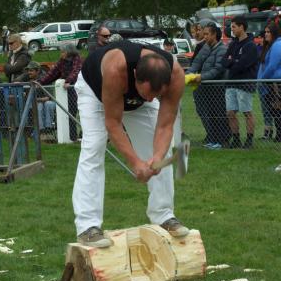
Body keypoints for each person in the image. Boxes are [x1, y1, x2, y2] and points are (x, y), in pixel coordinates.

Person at [73, 40, 189, 248]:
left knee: (161, 152)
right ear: (135, 75)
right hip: (96, 92)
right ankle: (88, 226)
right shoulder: (115, 68)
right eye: (147, 94)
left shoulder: (175, 75)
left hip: (128, 91)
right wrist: (135, 162)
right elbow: (113, 123)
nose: (151, 99)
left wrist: (158, 157)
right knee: (93, 148)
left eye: (157, 96)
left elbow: (165, 125)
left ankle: (164, 215)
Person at [186, 22, 230, 148]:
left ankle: (222, 141)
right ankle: (213, 139)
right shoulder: (205, 47)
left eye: (206, 34)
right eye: (203, 34)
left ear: (214, 34)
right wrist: (187, 75)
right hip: (205, 87)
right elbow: (196, 63)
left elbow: (218, 69)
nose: (204, 36)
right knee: (207, 113)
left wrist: (201, 77)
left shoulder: (222, 49)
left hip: (217, 87)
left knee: (219, 113)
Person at [222, 15, 258, 149]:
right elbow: (224, 61)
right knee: (230, 113)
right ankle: (236, 139)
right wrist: (233, 61)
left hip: (244, 83)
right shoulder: (232, 44)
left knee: (247, 112)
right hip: (231, 83)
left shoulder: (250, 45)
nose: (232, 30)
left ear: (242, 27)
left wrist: (233, 61)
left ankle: (249, 140)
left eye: (234, 27)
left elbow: (243, 65)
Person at [39, 43, 82, 141]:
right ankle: (70, 136)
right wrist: (40, 82)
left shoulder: (77, 59)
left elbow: (77, 70)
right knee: (66, 113)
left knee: (75, 113)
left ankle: (77, 136)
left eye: (63, 52)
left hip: (77, 90)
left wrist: (68, 81)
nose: (61, 54)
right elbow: (53, 73)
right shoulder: (62, 61)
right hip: (66, 90)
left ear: (69, 52)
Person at [257, 22, 281, 142]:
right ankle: (278, 135)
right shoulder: (271, 46)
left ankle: (279, 135)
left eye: (268, 32)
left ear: (274, 33)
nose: (266, 34)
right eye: (265, 32)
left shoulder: (277, 45)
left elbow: (272, 66)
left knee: (277, 109)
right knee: (275, 110)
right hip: (271, 83)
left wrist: (262, 79)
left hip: (276, 83)